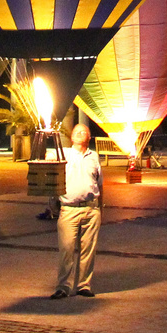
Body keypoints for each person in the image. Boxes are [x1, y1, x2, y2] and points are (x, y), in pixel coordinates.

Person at [52, 123, 102, 299]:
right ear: (71, 137)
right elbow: (44, 158)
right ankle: (63, 286)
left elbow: (99, 183)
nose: (82, 133)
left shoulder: (94, 157)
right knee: (66, 249)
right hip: (69, 209)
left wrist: (99, 208)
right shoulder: (63, 154)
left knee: (88, 249)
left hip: (91, 209)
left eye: (85, 132)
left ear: (89, 137)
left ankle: (83, 285)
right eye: (78, 131)